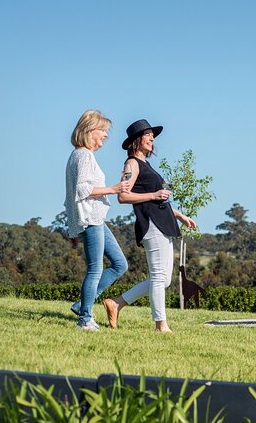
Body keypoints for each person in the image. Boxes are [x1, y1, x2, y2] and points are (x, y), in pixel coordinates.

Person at [103, 119, 196, 332]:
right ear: (136, 140)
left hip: (163, 223)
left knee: (163, 281)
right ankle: (161, 325)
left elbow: (158, 200)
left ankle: (116, 303)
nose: (152, 137)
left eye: (152, 135)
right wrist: (154, 194)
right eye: (147, 134)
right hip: (151, 225)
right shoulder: (131, 164)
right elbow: (123, 196)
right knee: (158, 277)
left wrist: (180, 215)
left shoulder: (145, 164)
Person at [64, 109, 130, 331]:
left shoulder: (77, 155)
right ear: (90, 130)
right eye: (103, 132)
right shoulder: (83, 155)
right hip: (91, 219)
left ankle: (82, 305)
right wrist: (114, 189)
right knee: (95, 269)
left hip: (95, 218)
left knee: (120, 264)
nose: (105, 137)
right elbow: (82, 189)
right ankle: (84, 319)